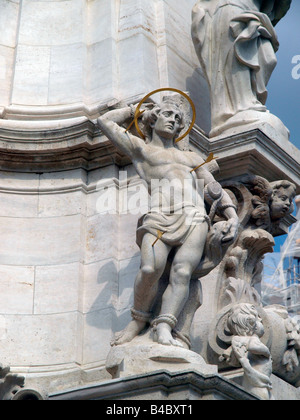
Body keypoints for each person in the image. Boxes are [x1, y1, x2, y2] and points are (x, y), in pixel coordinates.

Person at [97, 97, 239, 347]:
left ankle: (165, 325)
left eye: (178, 118)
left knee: (182, 272)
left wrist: (232, 215)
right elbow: (104, 121)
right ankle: (138, 319)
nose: (174, 120)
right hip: (160, 216)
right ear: (153, 119)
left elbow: (213, 188)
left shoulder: (192, 158)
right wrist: (135, 110)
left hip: (195, 216)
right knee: (151, 268)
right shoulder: (141, 149)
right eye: (168, 114)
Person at [191, 0, 291, 137]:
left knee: (266, 59)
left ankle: (247, 103)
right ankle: (235, 110)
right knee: (238, 54)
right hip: (231, 9)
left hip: (257, 12)